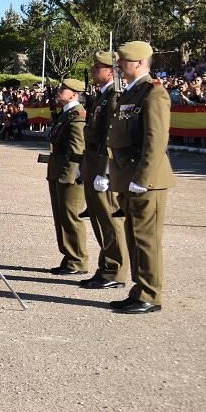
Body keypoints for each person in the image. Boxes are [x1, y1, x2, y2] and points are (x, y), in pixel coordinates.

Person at [107, 41, 174, 314]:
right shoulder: (130, 93)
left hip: (147, 179)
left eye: (124, 62)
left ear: (139, 63)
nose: (120, 66)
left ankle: (150, 294)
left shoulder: (153, 94)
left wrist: (142, 178)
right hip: (129, 176)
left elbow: (155, 140)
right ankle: (139, 290)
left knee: (147, 240)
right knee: (134, 237)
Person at [80, 51, 128, 289]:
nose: (93, 70)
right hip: (92, 161)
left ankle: (115, 271)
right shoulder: (102, 95)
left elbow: (112, 134)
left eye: (97, 66)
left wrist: (108, 169)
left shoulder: (114, 96)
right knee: (99, 220)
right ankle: (105, 266)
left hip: (102, 163)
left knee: (109, 220)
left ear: (110, 70)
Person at [45, 79, 89, 276]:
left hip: (69, 174)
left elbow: (77, 148)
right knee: (60, 217)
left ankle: (78, 259)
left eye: (64, 89)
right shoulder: (66, 114)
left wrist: (69, 175)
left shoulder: (77, 115)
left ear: (74, 94)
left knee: (71, 217)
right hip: (57, 170)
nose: (59, 91)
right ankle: (69, 256)